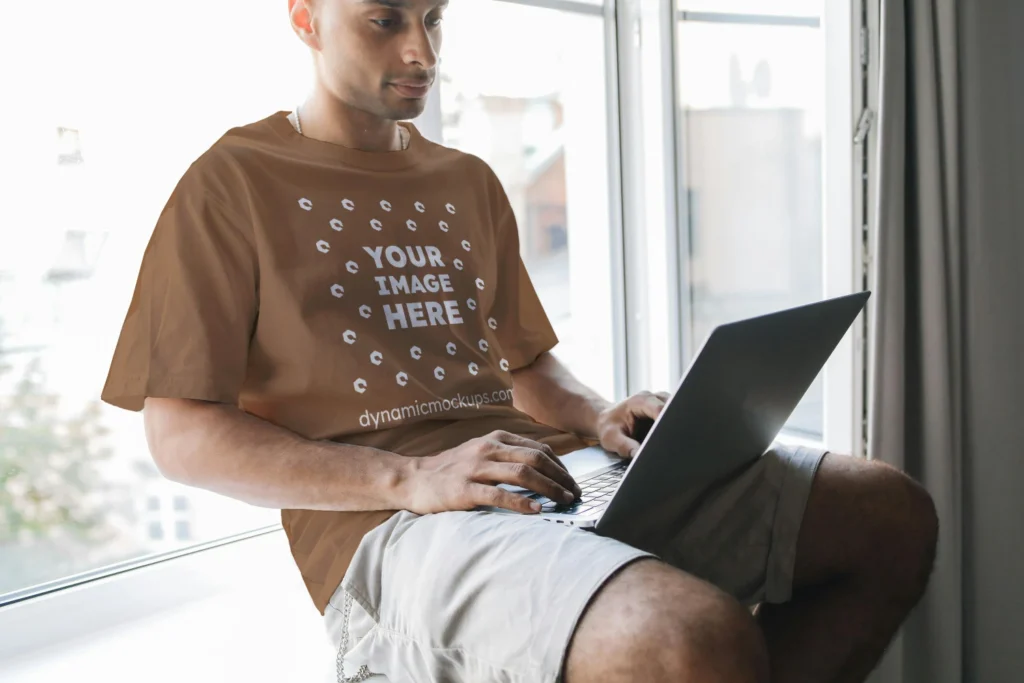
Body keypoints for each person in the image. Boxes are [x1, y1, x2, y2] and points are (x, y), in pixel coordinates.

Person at [100, 1, 939, 681]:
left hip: (543, 475)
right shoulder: (231, 183)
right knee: (693, 640)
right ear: (305, 18)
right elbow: (182, 433)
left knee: (887, 515)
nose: (421, 50)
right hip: (389, 527)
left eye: (435, 18)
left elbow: (527, 365)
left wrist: (599, 413)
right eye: (385, 20)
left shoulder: (464, 179)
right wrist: (414, 475)